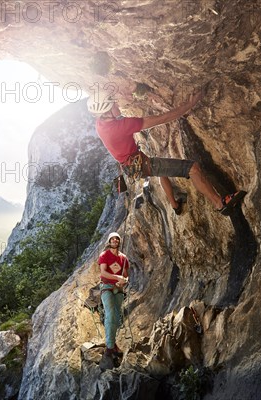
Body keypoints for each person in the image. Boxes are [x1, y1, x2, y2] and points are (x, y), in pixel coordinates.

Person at [88, 89, 245, 215]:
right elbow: (162, 118)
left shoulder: (100, 124)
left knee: (161, 172)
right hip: (143, 165)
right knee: (193, 168)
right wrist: (191, 103)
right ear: (107, 109)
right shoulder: (121, 126)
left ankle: (175, 205)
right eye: (113, 103)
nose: (117, 105)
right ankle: (219, 204)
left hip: (133, 168)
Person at [99, 231, 129, 358]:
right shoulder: (104, 255)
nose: (115, 241)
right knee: (110, 314)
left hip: (119, 290)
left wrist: (124, 281)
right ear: (109, 241)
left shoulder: (124, 258)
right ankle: (110, 346)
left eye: (117, 239)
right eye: (113, 239)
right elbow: (103, 273)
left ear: (119, 242)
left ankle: (113, 343)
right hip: (106, 287)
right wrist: (117, 277)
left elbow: (126, 275)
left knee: (116, 318)